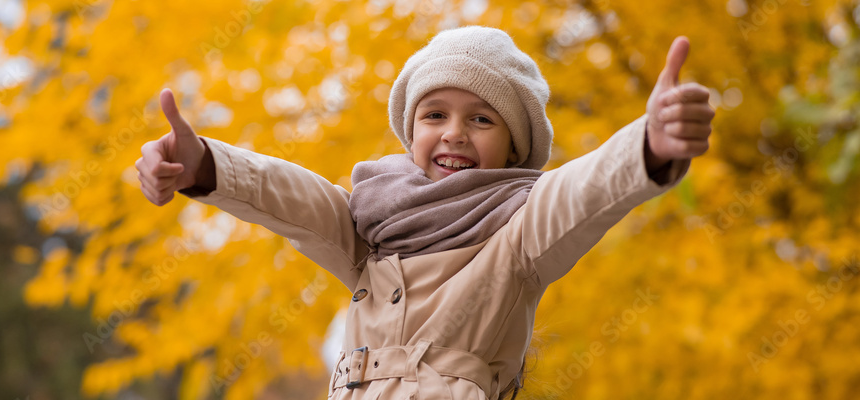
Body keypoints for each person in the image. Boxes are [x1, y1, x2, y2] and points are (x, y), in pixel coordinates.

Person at [135, 25, 714, 400]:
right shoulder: (373, 228)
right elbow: (291, 195)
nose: (454, 134)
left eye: (482, 119)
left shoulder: (516, 233)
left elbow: (583, 191)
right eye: (434, 114)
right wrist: (205, 163)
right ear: (410, 129)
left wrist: (650, 144)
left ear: (514, 146)